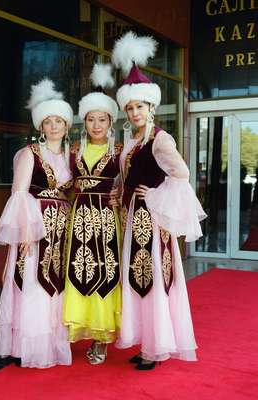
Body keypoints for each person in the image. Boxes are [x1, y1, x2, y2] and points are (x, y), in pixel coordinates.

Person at [111, 31, 207, 370]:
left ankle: (156, 348)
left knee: (152, 278)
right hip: (132, 222)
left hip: (151, 223)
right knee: (138, 281)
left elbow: (182, 175)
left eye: (140, 106)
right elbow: (127, 177)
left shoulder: (160, 139)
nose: (135, 112)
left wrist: (154, 195)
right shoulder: (132, 140)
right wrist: (117, 192)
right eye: (131, 107)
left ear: (152, 106)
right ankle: (148, 343)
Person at [0, 79, 74, 368]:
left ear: (66, 125)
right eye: (48, 121)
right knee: (32, 283)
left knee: (54, 284)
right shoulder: (29, 154)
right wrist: (25, 232)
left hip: (61, 232)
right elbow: (20, 194)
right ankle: (27, 348)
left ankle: (52, 344)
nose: (53, 126)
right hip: (35, 229)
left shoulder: (70, 157)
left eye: (59, 121)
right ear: (41, 126)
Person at [63, 63, 122, 365]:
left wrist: (121, 194)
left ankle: (102, 339)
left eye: (102, 119)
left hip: (108, 221)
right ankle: (77, 332)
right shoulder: (73, 150)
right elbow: (64, 185)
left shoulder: (120, 150)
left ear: (111, 121)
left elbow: (130, 181)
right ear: (83, 122)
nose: (96, 124)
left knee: (105, 271)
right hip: (79, 218)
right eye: (90, 119)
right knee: (78, 271)